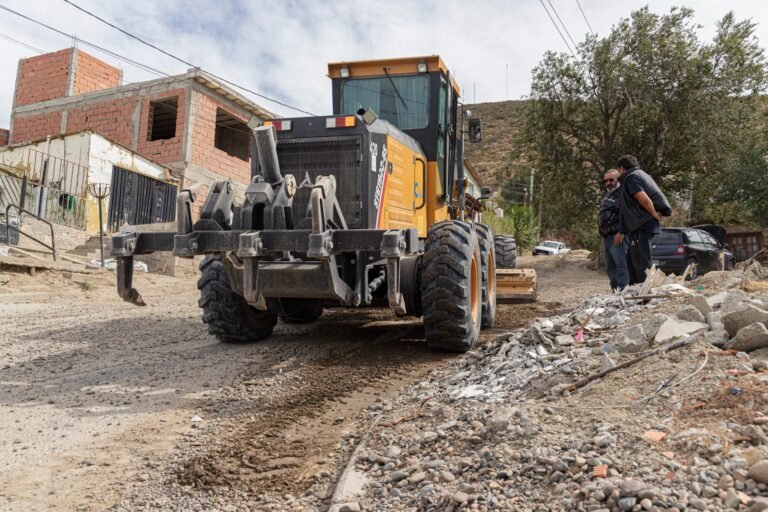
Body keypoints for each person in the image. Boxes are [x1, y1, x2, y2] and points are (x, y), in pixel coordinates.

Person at [615, 154, 672, 285]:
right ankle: (635, 291)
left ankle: (645, 294)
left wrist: (654, 214)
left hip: (642, 224)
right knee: (632, 260)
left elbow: (643, 198)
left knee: (642, 262)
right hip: (640, 226)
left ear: (621, 169)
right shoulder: (641, 175)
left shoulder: (631, 177)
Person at [598, 169, 629, 291]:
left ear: (618, 179)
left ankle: (623, 293)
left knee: (621, 266)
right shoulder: (609, 194)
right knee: (610, 267)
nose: (608, 182)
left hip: (618, 235)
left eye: (611, 180)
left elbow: (628, 214)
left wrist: (622, 231)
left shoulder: (623, 194)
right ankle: (615, 292)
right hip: (607, 236)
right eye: (606, 180)